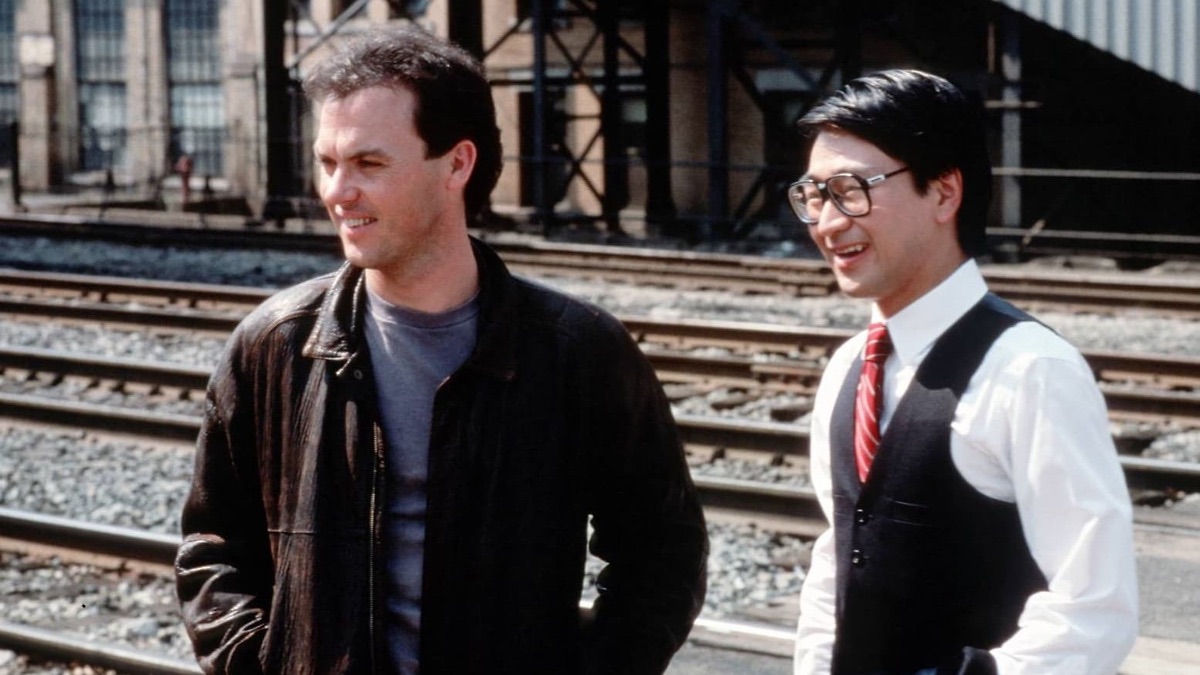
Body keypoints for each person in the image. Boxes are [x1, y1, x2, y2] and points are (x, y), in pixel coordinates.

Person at [174, 23, 707, 675]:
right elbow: (215, 548)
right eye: (328, 162)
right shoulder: (274, 345)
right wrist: (258, 664)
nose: (337, 192)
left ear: (457, 164)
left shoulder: (578, 351)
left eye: (369, 164)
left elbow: (663, 553)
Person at [789, 69, 1137, 675]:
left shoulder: (1030, 370)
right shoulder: (849, 366)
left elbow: (1095, 609)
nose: (828, 221)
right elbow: (838, 558)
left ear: (945, 192)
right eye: (815, 195)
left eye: (852, 190)